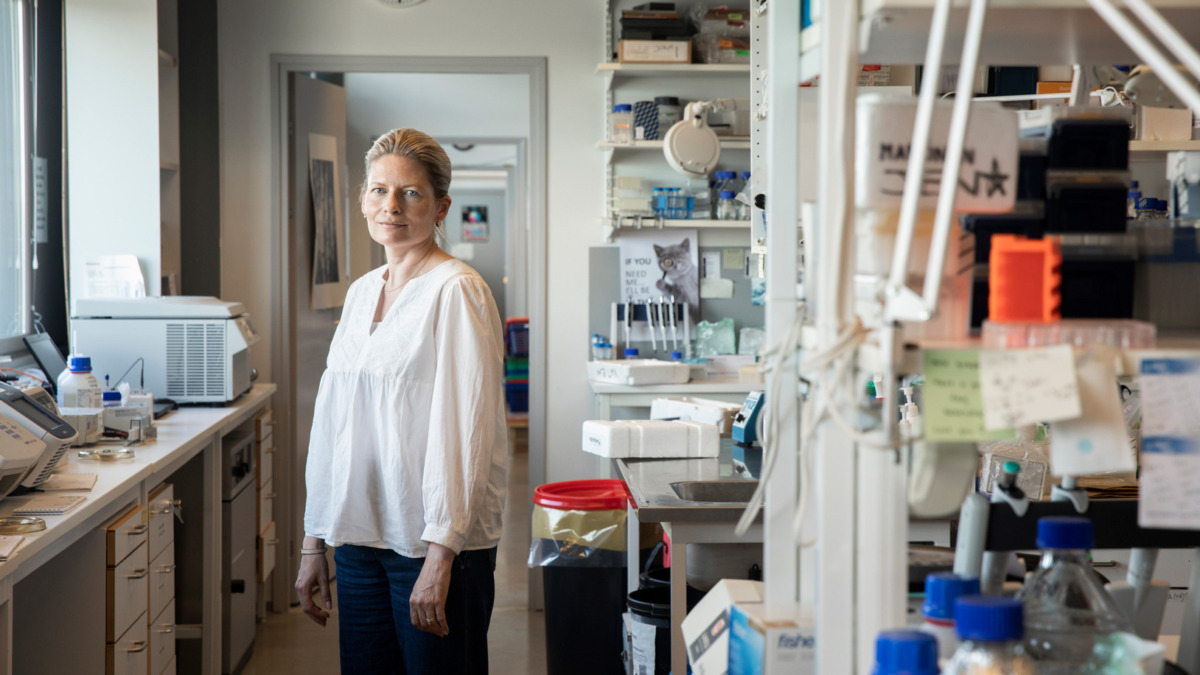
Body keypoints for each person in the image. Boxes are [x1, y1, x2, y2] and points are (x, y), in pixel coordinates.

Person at [296, 128, 509, 674]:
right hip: (359, 538)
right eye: (378, 190)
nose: (390, 206)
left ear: (441, 206)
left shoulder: (457, 289)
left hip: (431, 543)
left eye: (410, 193)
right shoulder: (363, 290)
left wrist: (442, 554)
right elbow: (335, 421)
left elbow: (467, 429)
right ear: (363, 199)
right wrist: (314, 539)